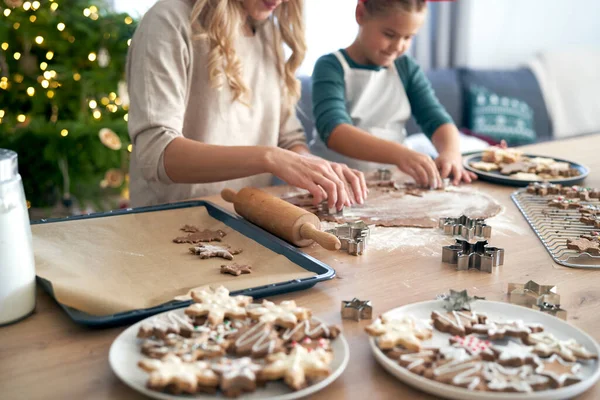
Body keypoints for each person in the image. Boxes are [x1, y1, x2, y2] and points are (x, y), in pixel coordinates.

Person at [126, 0, 367, 209]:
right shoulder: (168, 21)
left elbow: (287, 138)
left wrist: (310, 164)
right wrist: (270, 157)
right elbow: (157, 155)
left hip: (241, 217)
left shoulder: (268, 33)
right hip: (166, 221)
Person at [310, 0, 477, 188]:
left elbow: (437, 119)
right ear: (360, 14)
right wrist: (401, 154)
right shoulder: (331, 66)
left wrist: (451, 153)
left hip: (391, 184)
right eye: (389, 34)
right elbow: (334, 132)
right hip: (335, 184)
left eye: (408, 37)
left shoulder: (406, 68)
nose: (398, 46)